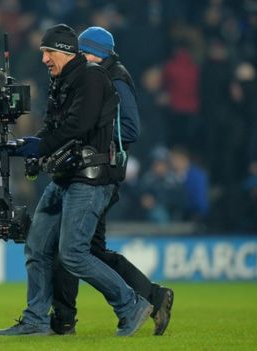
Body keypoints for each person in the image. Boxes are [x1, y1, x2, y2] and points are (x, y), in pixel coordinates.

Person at [0, 24, 153, 337]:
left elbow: (78, 126)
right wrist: (28, 143)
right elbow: (52, 126)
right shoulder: (62, 81)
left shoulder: (94, 78)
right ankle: (36, 319)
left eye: (48, 53)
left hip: (91, 180)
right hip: (65, 176)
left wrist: (41, 144)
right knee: (37, 247)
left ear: (67, 53)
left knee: (73, 254)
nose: (44, 60)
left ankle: (130, 304)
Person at [50, 26, 174, 337]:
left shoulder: (115, 79)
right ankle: (154, 296)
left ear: (96, 53)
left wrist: (98, 128)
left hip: (98, 176)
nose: (79, 57)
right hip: (93, 174)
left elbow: (130, 129)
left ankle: (66, 318)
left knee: (72, 249)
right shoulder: (101, 76)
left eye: (83, 51)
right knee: (90, 250)